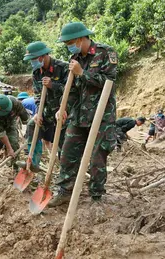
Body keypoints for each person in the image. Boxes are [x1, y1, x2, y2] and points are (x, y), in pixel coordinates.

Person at [52, 22, 118, 206]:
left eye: (70, 42)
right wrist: (63, 108)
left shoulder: (106, 53)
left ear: (82, 38)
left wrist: (83, 73)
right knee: (67, 153)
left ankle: (96, 196)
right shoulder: (75, 58)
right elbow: (72, 90)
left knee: (97, 157)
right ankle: (64, 191)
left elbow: (109, 83)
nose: (68, 46)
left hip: (102, 115)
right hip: (79, 115)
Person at [17, 41, 69, 173]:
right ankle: (33, 162)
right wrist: (38, 112)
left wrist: (54, 85)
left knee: (63, 143)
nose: (32, 62)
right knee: (32, 125)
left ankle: (66, 174)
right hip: (47, 111)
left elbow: (74, 90)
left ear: (42, 56)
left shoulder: (63, 68)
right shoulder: (36, 73)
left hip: (65, 111)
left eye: (33, 59)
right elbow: (38, 95)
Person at [0, 91, 35, 159]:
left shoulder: (19, 105)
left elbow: (23, 118)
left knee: (12, 141)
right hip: (2, 125)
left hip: (12, 124)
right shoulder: (6, 106)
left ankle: (8, 156)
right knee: (2, 141)